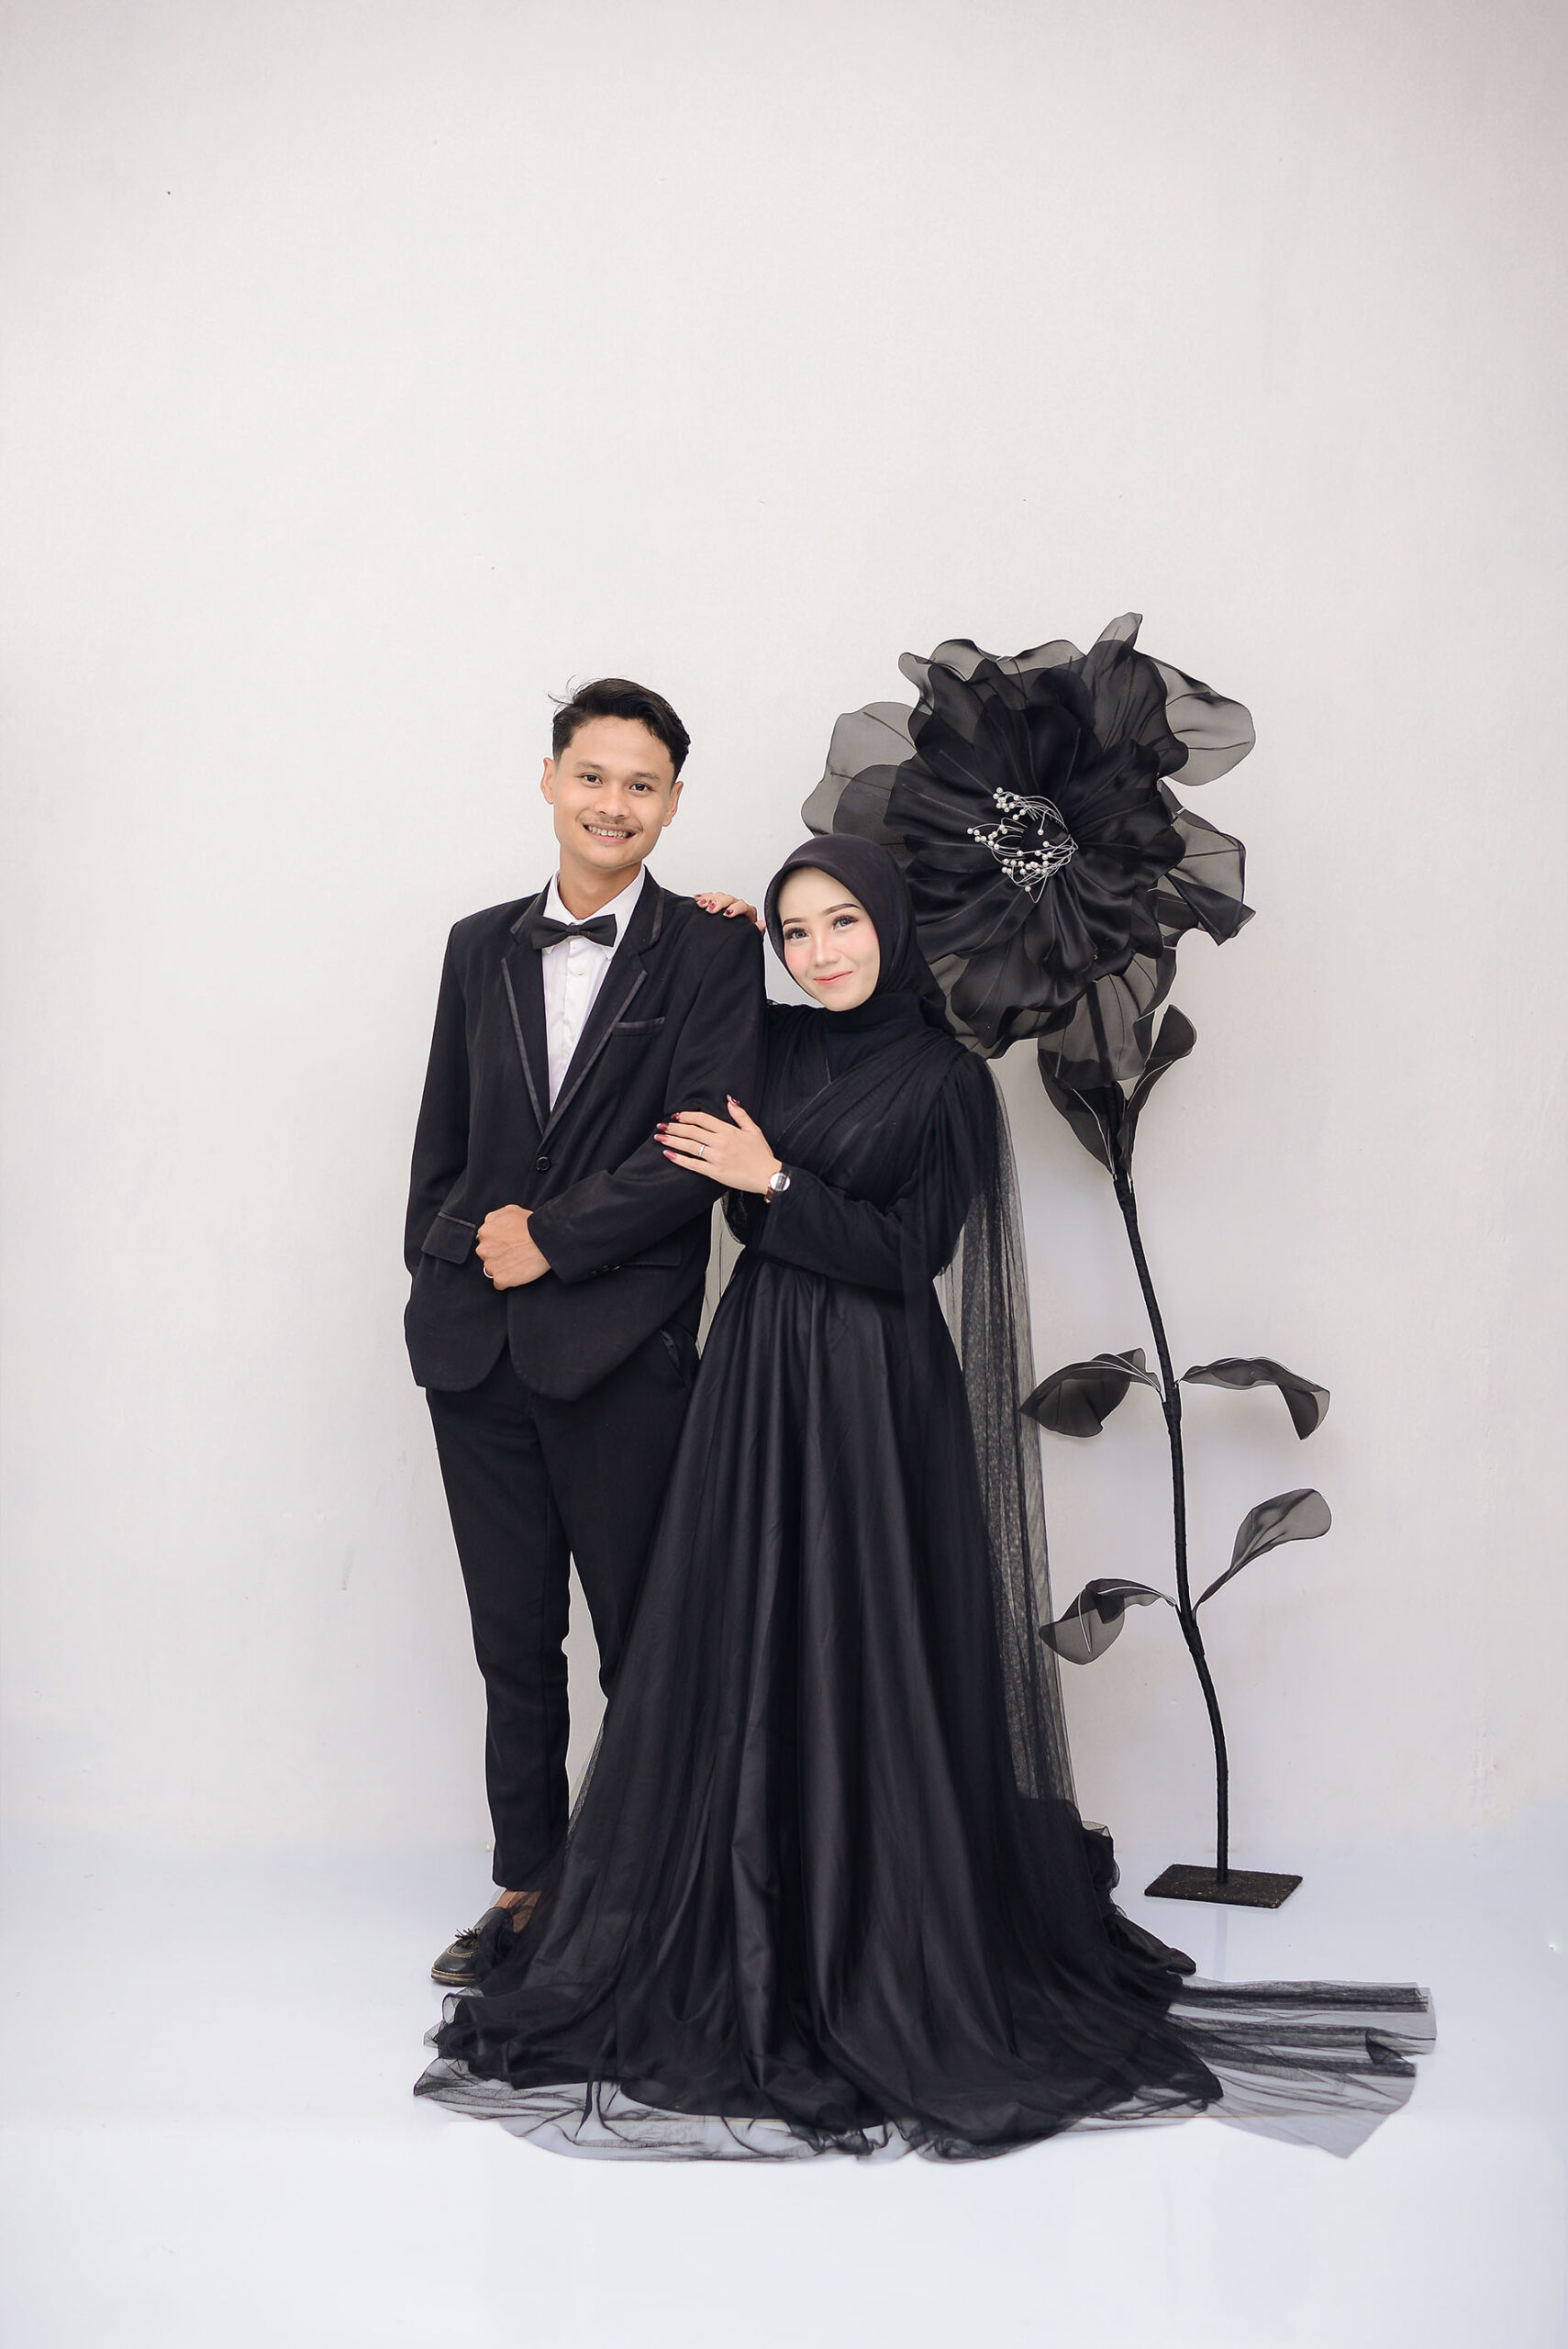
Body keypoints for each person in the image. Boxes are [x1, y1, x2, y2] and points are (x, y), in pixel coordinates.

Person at [415, 836, 1433, 2157]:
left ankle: (878, 1919)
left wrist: (775, 1183)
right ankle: (739, 1905)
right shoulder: (768, 1045)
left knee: (869, 1633)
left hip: (877, 1383)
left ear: (891, 926)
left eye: (842, 923)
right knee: (743, 1636)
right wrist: (718, 934)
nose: (820, 952)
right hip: (756, 1376)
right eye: (795, 933)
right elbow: (687, 1078)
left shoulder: (948, 1080)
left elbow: (909, 1256)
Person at [405, 677, 763, 1988]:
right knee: (512, 1643)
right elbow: (442, 1142)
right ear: (551, 780)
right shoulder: (476, 946)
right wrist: (440, 1273)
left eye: (641, 785)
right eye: (593, 776)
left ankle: (657, 1894)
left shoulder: (711, 951)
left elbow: (699, 1148)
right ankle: (528, 1889)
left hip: (621, 1350)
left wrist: (551, 1239)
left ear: (671, 805)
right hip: (474, 1351)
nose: (613, 804)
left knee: (644, 1641)